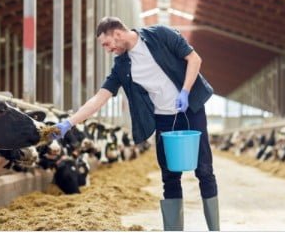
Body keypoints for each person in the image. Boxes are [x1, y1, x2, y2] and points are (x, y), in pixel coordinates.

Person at [51, 17, 219, 231]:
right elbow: (99, 98)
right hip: (164, 119)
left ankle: (215, 230)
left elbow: (194, 59)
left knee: (204, 169)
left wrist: (185, 91)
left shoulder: (160, 35)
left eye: (106, 44)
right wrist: (69, 123)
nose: (107, 49)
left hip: (191, 110)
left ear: (117, 34)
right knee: (169, 176)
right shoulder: (122, 66)